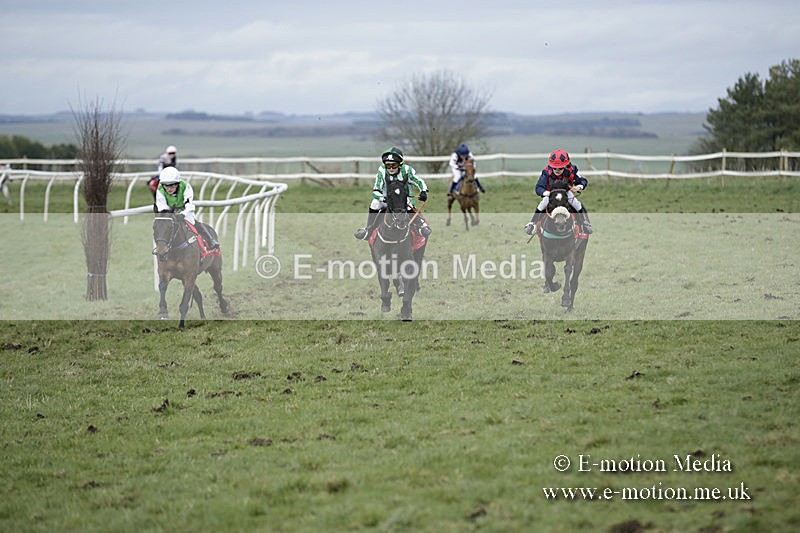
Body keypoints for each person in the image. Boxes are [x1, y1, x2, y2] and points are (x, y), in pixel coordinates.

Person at [354, 146, 432, 241]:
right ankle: (368, 230)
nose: (390, 168)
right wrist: (383, 198)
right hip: (386, 199)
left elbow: (419, 181)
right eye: (388, 166)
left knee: (408, 204)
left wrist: (423, 191)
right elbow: (376, 190)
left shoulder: (407, 170)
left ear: (400, 164)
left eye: (394, 166)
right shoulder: (382, 171)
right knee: (374, 203)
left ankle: (421, 226)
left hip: (403, 199)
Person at [524, 149, 593, 235]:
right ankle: (532, 224)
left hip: (566, 193)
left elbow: (583, 181)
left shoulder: (572, 169)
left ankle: (583, 224)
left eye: (560, 168)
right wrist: (547, 193)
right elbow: (538, 188)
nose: (557, 170)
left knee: (577, 204)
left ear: (565, 165)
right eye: (554, 168)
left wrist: (579, 186)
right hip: (550, 193)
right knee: (542, 205)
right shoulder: (546, 172)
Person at [154, 167, 219, 250]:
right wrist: (170, 215)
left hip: (185, 209)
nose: (169, 189)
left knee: (193, 222)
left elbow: (189, 204)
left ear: (178, 183)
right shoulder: (160, 189)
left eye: (173, 185)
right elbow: (162, 206)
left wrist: (183, 214)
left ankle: (211, 240)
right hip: (170, 210)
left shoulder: (185, 186)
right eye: (166, 186)